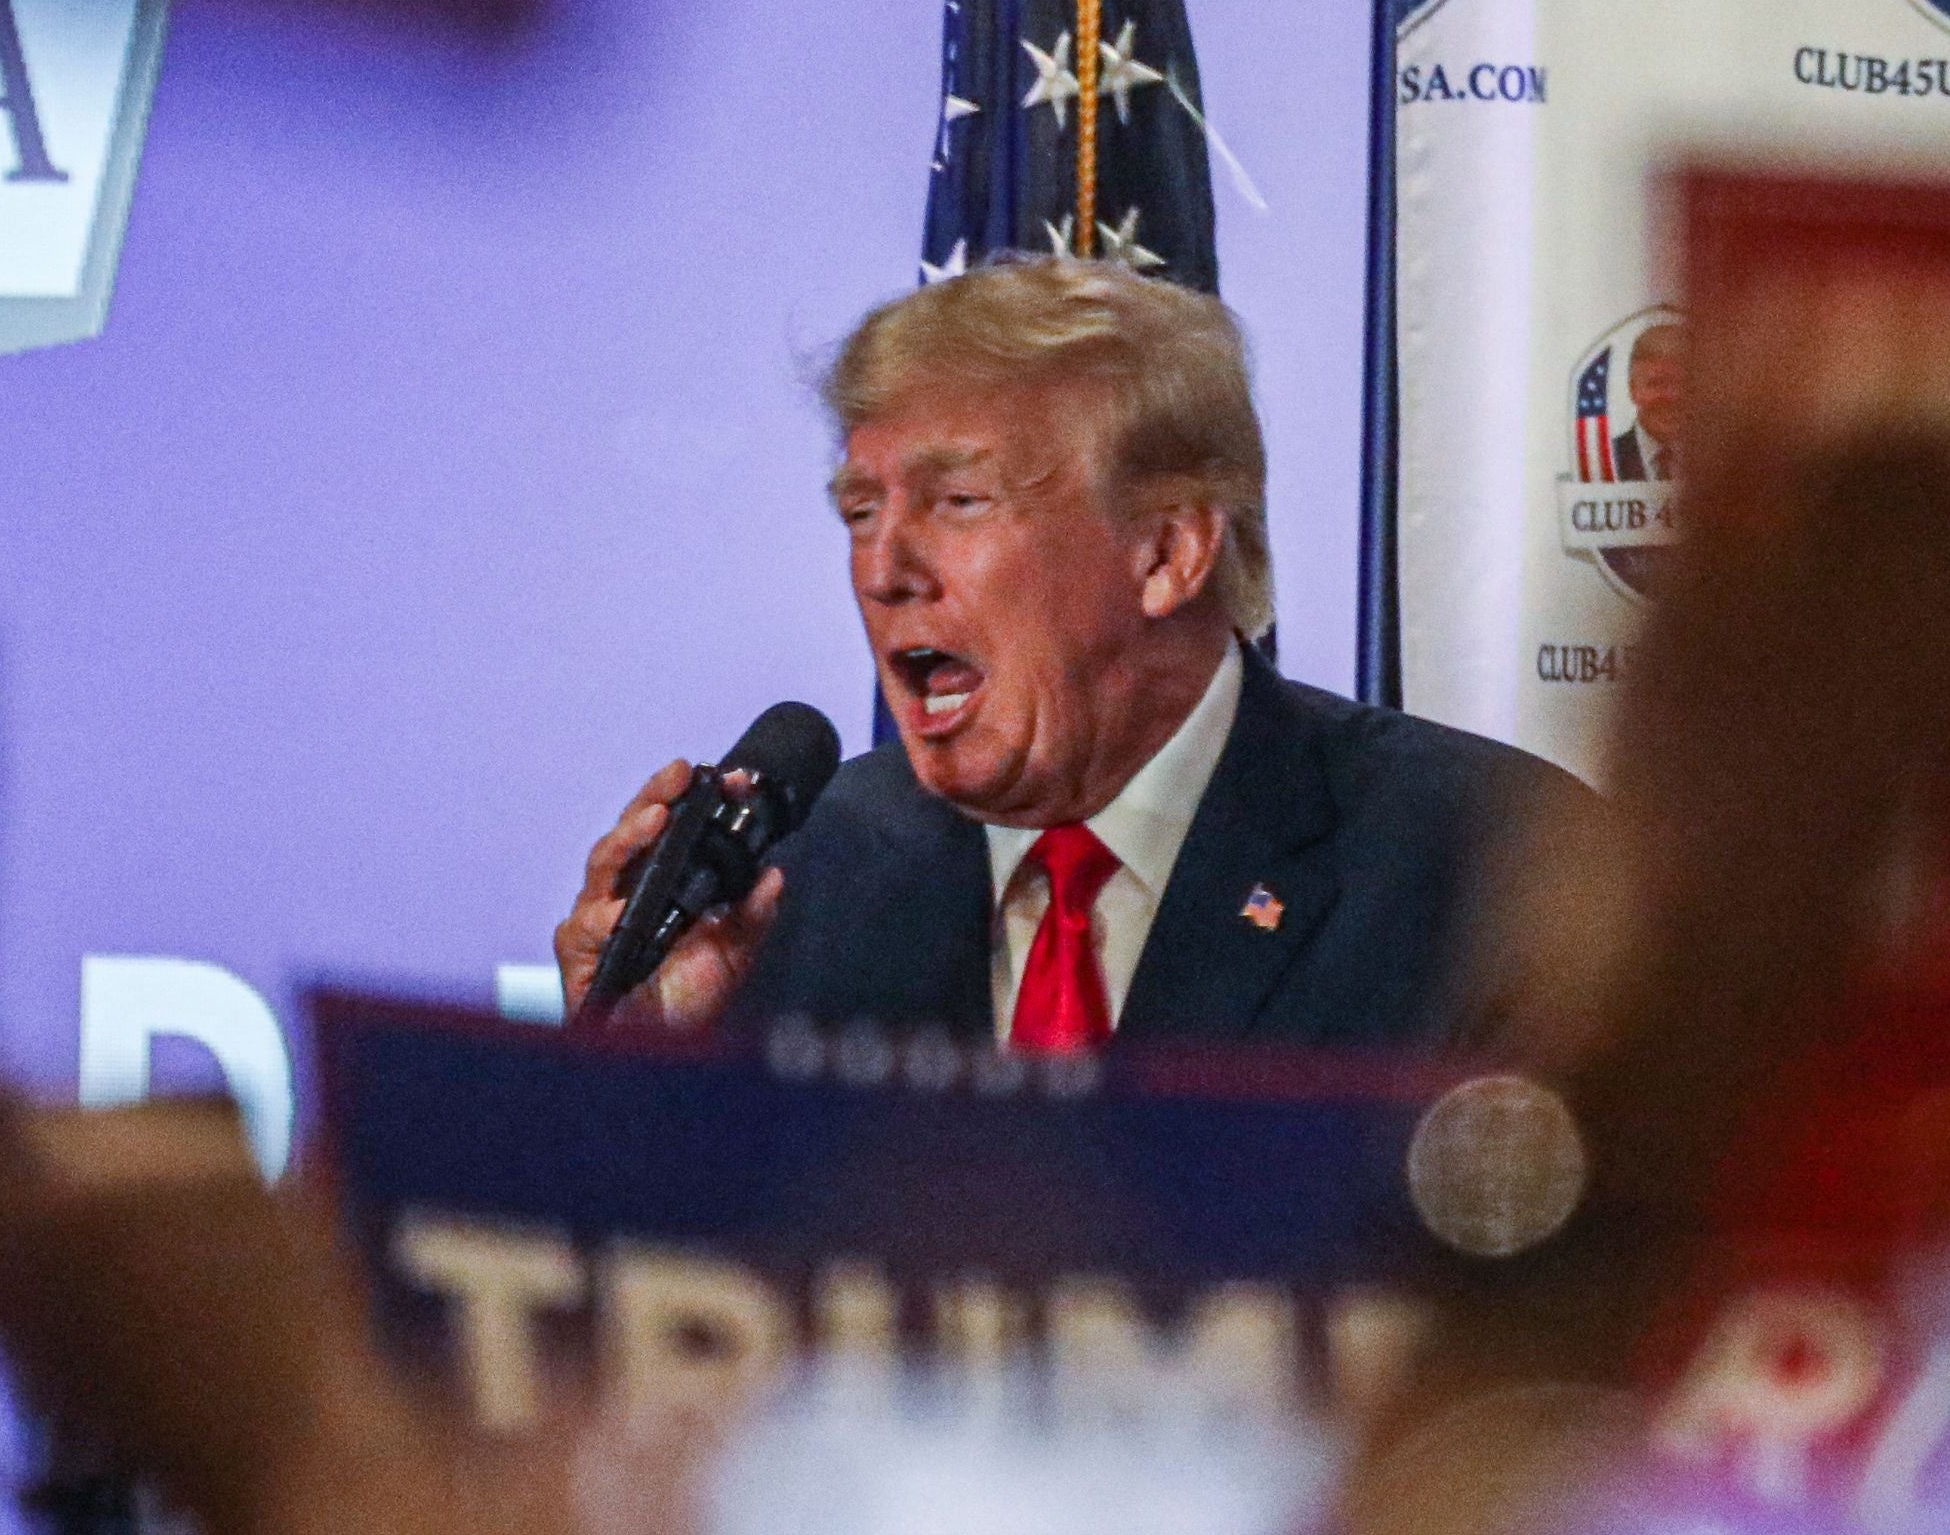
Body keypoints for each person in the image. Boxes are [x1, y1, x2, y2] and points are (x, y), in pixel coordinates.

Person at [554, 257, 1592, 1050]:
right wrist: (651, 1066)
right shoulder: (802, 886)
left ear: (1168, 551)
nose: (884, 568)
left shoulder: (1498, 872)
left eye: (960, 502)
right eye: (860, 511)